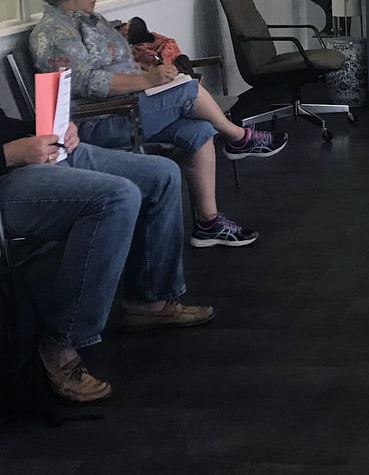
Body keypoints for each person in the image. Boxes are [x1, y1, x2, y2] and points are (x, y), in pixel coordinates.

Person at [29, 0, 287, 249]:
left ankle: (208, 223)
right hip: (96, 120)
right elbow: (85, 82)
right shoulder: (54, 33)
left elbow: (120, 63)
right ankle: (239, 137)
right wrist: (147, 81)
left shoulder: (93, 21)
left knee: (199, 130)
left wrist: (150, 72)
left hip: (129, 105)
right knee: (188, 90)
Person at [0, 110, 214, 402]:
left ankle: (149, 300)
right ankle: (59, 340)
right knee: (117, 197)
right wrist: (10, 154)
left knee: (162, 174)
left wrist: (49, 131)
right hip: (7, 173)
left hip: (27, 157)